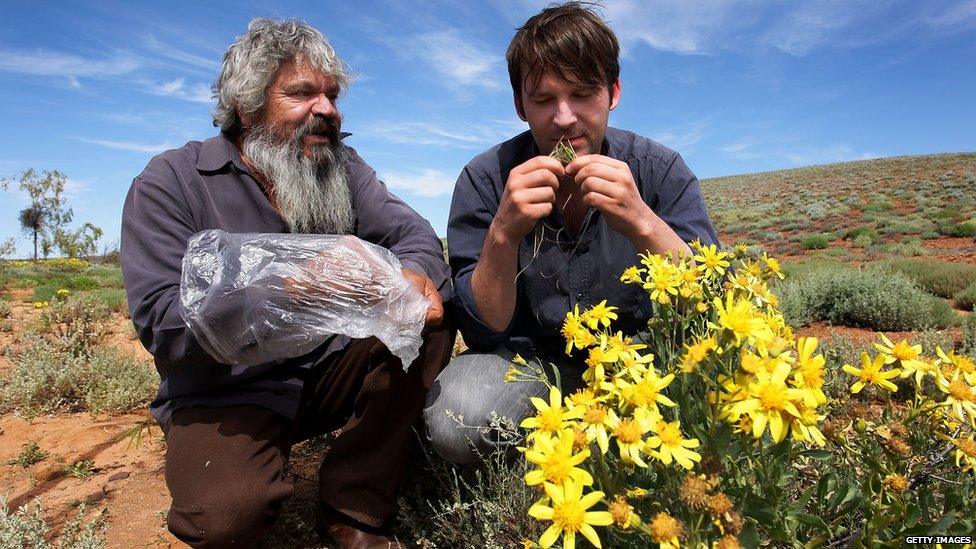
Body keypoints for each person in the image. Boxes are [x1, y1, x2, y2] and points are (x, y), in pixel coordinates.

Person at [121, 18, 453, 548]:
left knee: (425, 316)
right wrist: (288, 288)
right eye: (302, 93)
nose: (327, 109)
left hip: (327, 368)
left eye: (332, 94)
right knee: (225, 519)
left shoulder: (341, 168)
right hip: (226, 390)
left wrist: (411, 278)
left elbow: (412, 232)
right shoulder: (171, 182)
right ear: (248, 106)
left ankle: (353, 507)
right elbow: (163, 322)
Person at [424, 1, 719, 464]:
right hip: (533, 364)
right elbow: (483, 332)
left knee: (719, 384)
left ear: (613, 92)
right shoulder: (485, 179)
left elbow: (712, 299)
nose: (564, 118)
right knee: (456, 415)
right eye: (543, 100)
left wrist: (642, 220)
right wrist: (503, 234)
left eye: (583, 94)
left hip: (640, 362)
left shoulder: (659, 170)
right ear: (521, 105)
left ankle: (584, 449)